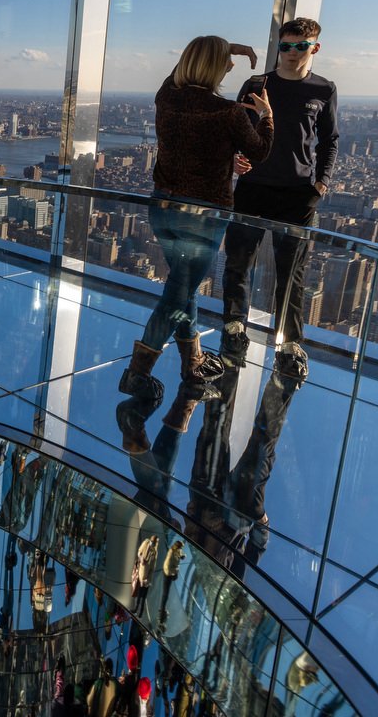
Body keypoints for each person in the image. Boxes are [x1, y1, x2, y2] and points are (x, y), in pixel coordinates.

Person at [116, 37, 273, 454]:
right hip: (203, 218)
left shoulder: (166, 97)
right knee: (178, 291)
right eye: (225, 65)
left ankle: (194, 363)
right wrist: (267, 117)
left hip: (163, 207)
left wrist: (224, 48)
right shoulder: (228, 113)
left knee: (182, 286)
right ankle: (136, 373)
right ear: (219, 69)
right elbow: (259, 150)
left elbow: (177, 76)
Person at [221, 18, 339, 379]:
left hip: (298, 195)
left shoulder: (323, 89)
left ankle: (289, 344)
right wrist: (233, 159)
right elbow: (234, 128)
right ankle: (233, 329)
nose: (291, 53)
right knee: (238, 261)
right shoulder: (257, 84)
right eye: (285, 46)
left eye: (300, 46)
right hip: (254, 186)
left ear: (314, 48)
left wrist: (320, 185)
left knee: (293, 273)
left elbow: (330, 140)